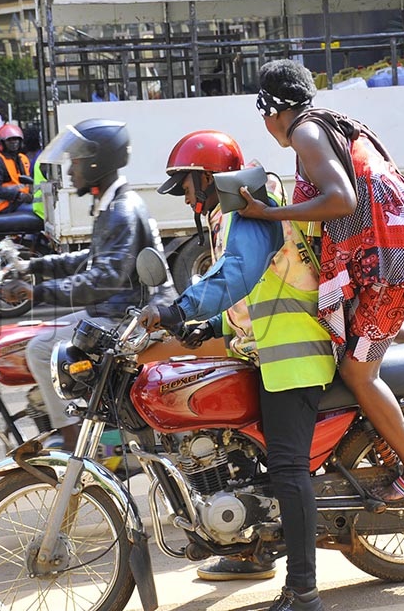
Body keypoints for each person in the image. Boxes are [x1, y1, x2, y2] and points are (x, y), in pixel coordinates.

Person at [141, 130, 334, 611]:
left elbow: (237, 275)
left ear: (207, 178)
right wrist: (205, 323)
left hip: (294, 354)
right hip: (264, 350)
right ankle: (251, 547)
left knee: (288, 469)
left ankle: (304, 591)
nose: (185, 196)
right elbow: (253, 294)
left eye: (186, 184)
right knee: (245, 459)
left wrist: (177, 310)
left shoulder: (251, 208)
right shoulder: (240, 211)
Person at [237, 58, 404, 505]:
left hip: (387, 255)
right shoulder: (327, 124)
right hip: (387, 247)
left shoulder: (306, 133)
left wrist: (268, 213)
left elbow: (342, 199)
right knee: (356, 328)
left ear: (270, 110)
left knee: (357, 370)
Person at [0, 119, 175, 450]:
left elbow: (102, 280)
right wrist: (32, 266)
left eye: (76, 160)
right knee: (42, 334)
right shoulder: (111, 204)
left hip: (126, 319)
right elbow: (88, 259)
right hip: (115, 310)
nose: (70, 170)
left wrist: (37, 293)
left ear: (99, 161)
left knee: (39, 348)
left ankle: (71, 436)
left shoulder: (121, 210)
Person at [0, 124, 35, 215]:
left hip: (19, 203)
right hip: (4, 207)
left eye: (16, 139)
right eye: (9, 140)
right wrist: (18, 195)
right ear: (2, 142)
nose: (14, 142)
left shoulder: (22, 158)